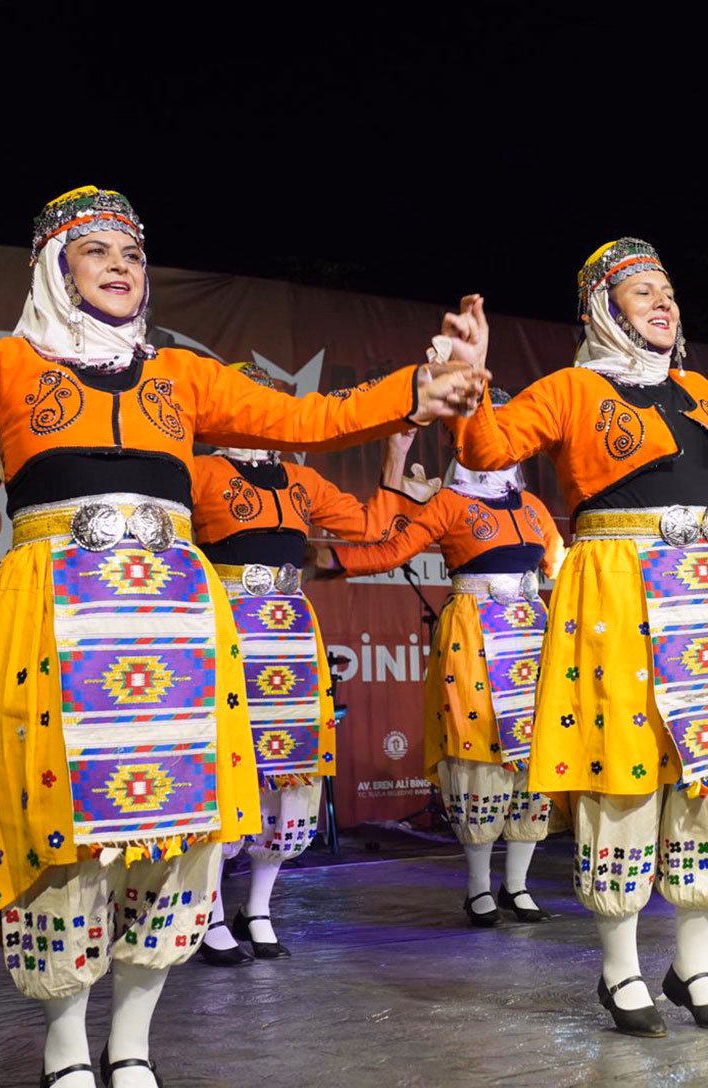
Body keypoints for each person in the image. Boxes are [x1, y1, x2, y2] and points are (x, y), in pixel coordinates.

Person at [0, 186, 476, 1088]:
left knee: (180, 829)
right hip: (54, 615)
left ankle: (132, 1041)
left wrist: (418, 389)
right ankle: (63, 1044)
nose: (121, 266)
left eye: (133, 253)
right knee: (62, 824)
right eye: (96, 251)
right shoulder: (4, 366)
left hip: (176, 618)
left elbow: (310, 420)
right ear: (54, 269)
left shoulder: (182, 377)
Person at [437, 239, 708, 1034]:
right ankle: (620, 970)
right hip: (615, 589)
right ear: (604, 310)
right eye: (642, 291)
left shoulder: (695, 390)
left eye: (667, 290)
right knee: (624, 772)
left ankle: (694, 966)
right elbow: (489, 448)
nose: (663, 302)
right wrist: (469, 383)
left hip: (704, 592)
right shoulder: (571, 389)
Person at [190, 364, 415, 966]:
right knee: (230, 766)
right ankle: (209, 912)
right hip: (226, 629)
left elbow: (370, 526)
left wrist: (396, 454)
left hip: (290, 631)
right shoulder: (199, 471)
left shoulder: (300, 479)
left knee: (289, 774)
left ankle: (258, 908)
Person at [328, 403, 568, 926]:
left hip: (532, 636)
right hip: (473, 635)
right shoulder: (450, 502)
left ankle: (517, 885)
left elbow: (560, 566)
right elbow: (392, 550)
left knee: (533, 754)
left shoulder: (533, 507)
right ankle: (479, 888)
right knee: (477, 748)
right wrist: (332, 561)